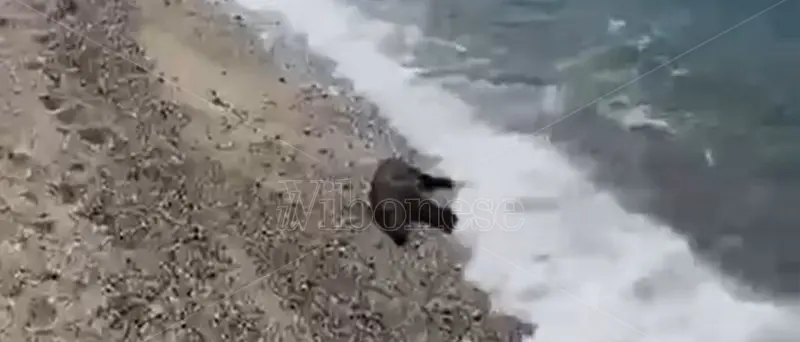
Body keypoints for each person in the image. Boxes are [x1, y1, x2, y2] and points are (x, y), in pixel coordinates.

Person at [368, 157, 459, 246]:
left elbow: (399, 236)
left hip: (391, 186)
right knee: (425, 209)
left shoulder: (403, 184)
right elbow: (399, 235)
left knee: (424, 208)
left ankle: (448, 219)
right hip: (393, 191)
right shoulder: (396, 214)